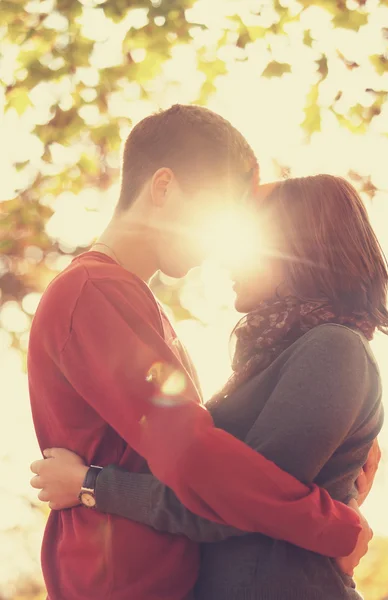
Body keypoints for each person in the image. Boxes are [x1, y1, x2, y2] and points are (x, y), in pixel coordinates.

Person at [28, 106, 370, 600]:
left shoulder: (138, 304)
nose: (217, 244)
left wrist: (346, 442)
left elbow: (204, 448)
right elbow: (194, 456)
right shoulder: (93, 292)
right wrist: (332, 524)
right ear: (164, 187)